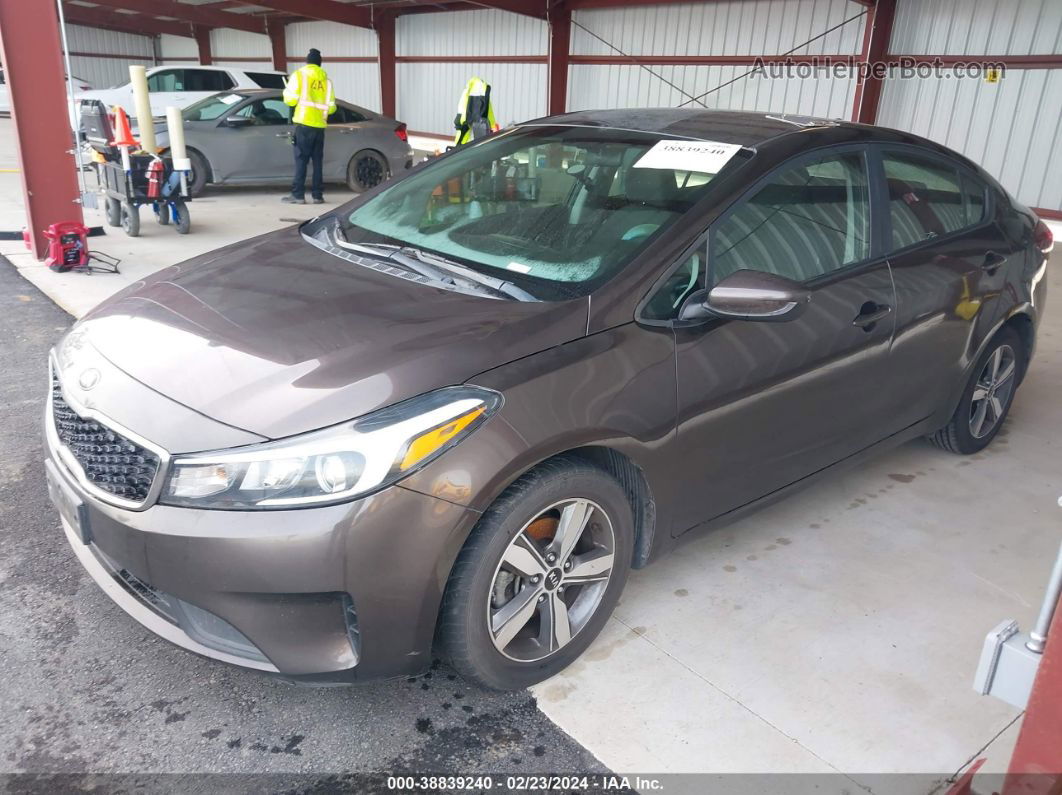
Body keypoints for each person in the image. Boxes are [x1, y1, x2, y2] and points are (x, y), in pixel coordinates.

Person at [281, 48, 336, 204]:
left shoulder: (299, 75)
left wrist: (287, 92)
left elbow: (290, 101)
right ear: (320, 63)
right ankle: (318, 195)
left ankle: (298, 195)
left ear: (307, 62)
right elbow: (332, 108)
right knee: (317, 162)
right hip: (319, 126)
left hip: (304, 124)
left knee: (301, 161)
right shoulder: (327, 82)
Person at [453, 76, 498, 146]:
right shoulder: (473, 95)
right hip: (467, 135)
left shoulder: (467, 94)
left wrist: (493, 125)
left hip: (467, 135)